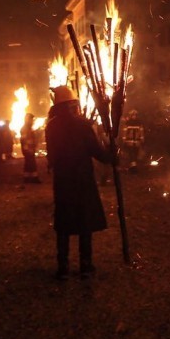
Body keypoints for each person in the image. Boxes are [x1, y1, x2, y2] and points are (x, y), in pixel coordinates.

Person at [45, 86, 113, 279]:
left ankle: (63, 265)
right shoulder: (82, 125)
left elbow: (52, 156)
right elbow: (95, 151)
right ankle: (85, 264)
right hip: (82, 180)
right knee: (84, 221)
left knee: (64, 221)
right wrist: (110, 156)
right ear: (70, 105)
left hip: (63, 181)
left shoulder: (51, 126)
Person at [20, 112, 41, 183]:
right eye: (31, 119)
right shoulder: (25, 129)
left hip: (30, 149)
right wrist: (27, 149)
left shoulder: (29, 128)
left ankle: (28, 178)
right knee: (31, 163)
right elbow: (24, 140)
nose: (32, 121)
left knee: (29, 163)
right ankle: (33, 178)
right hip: (28, 149)